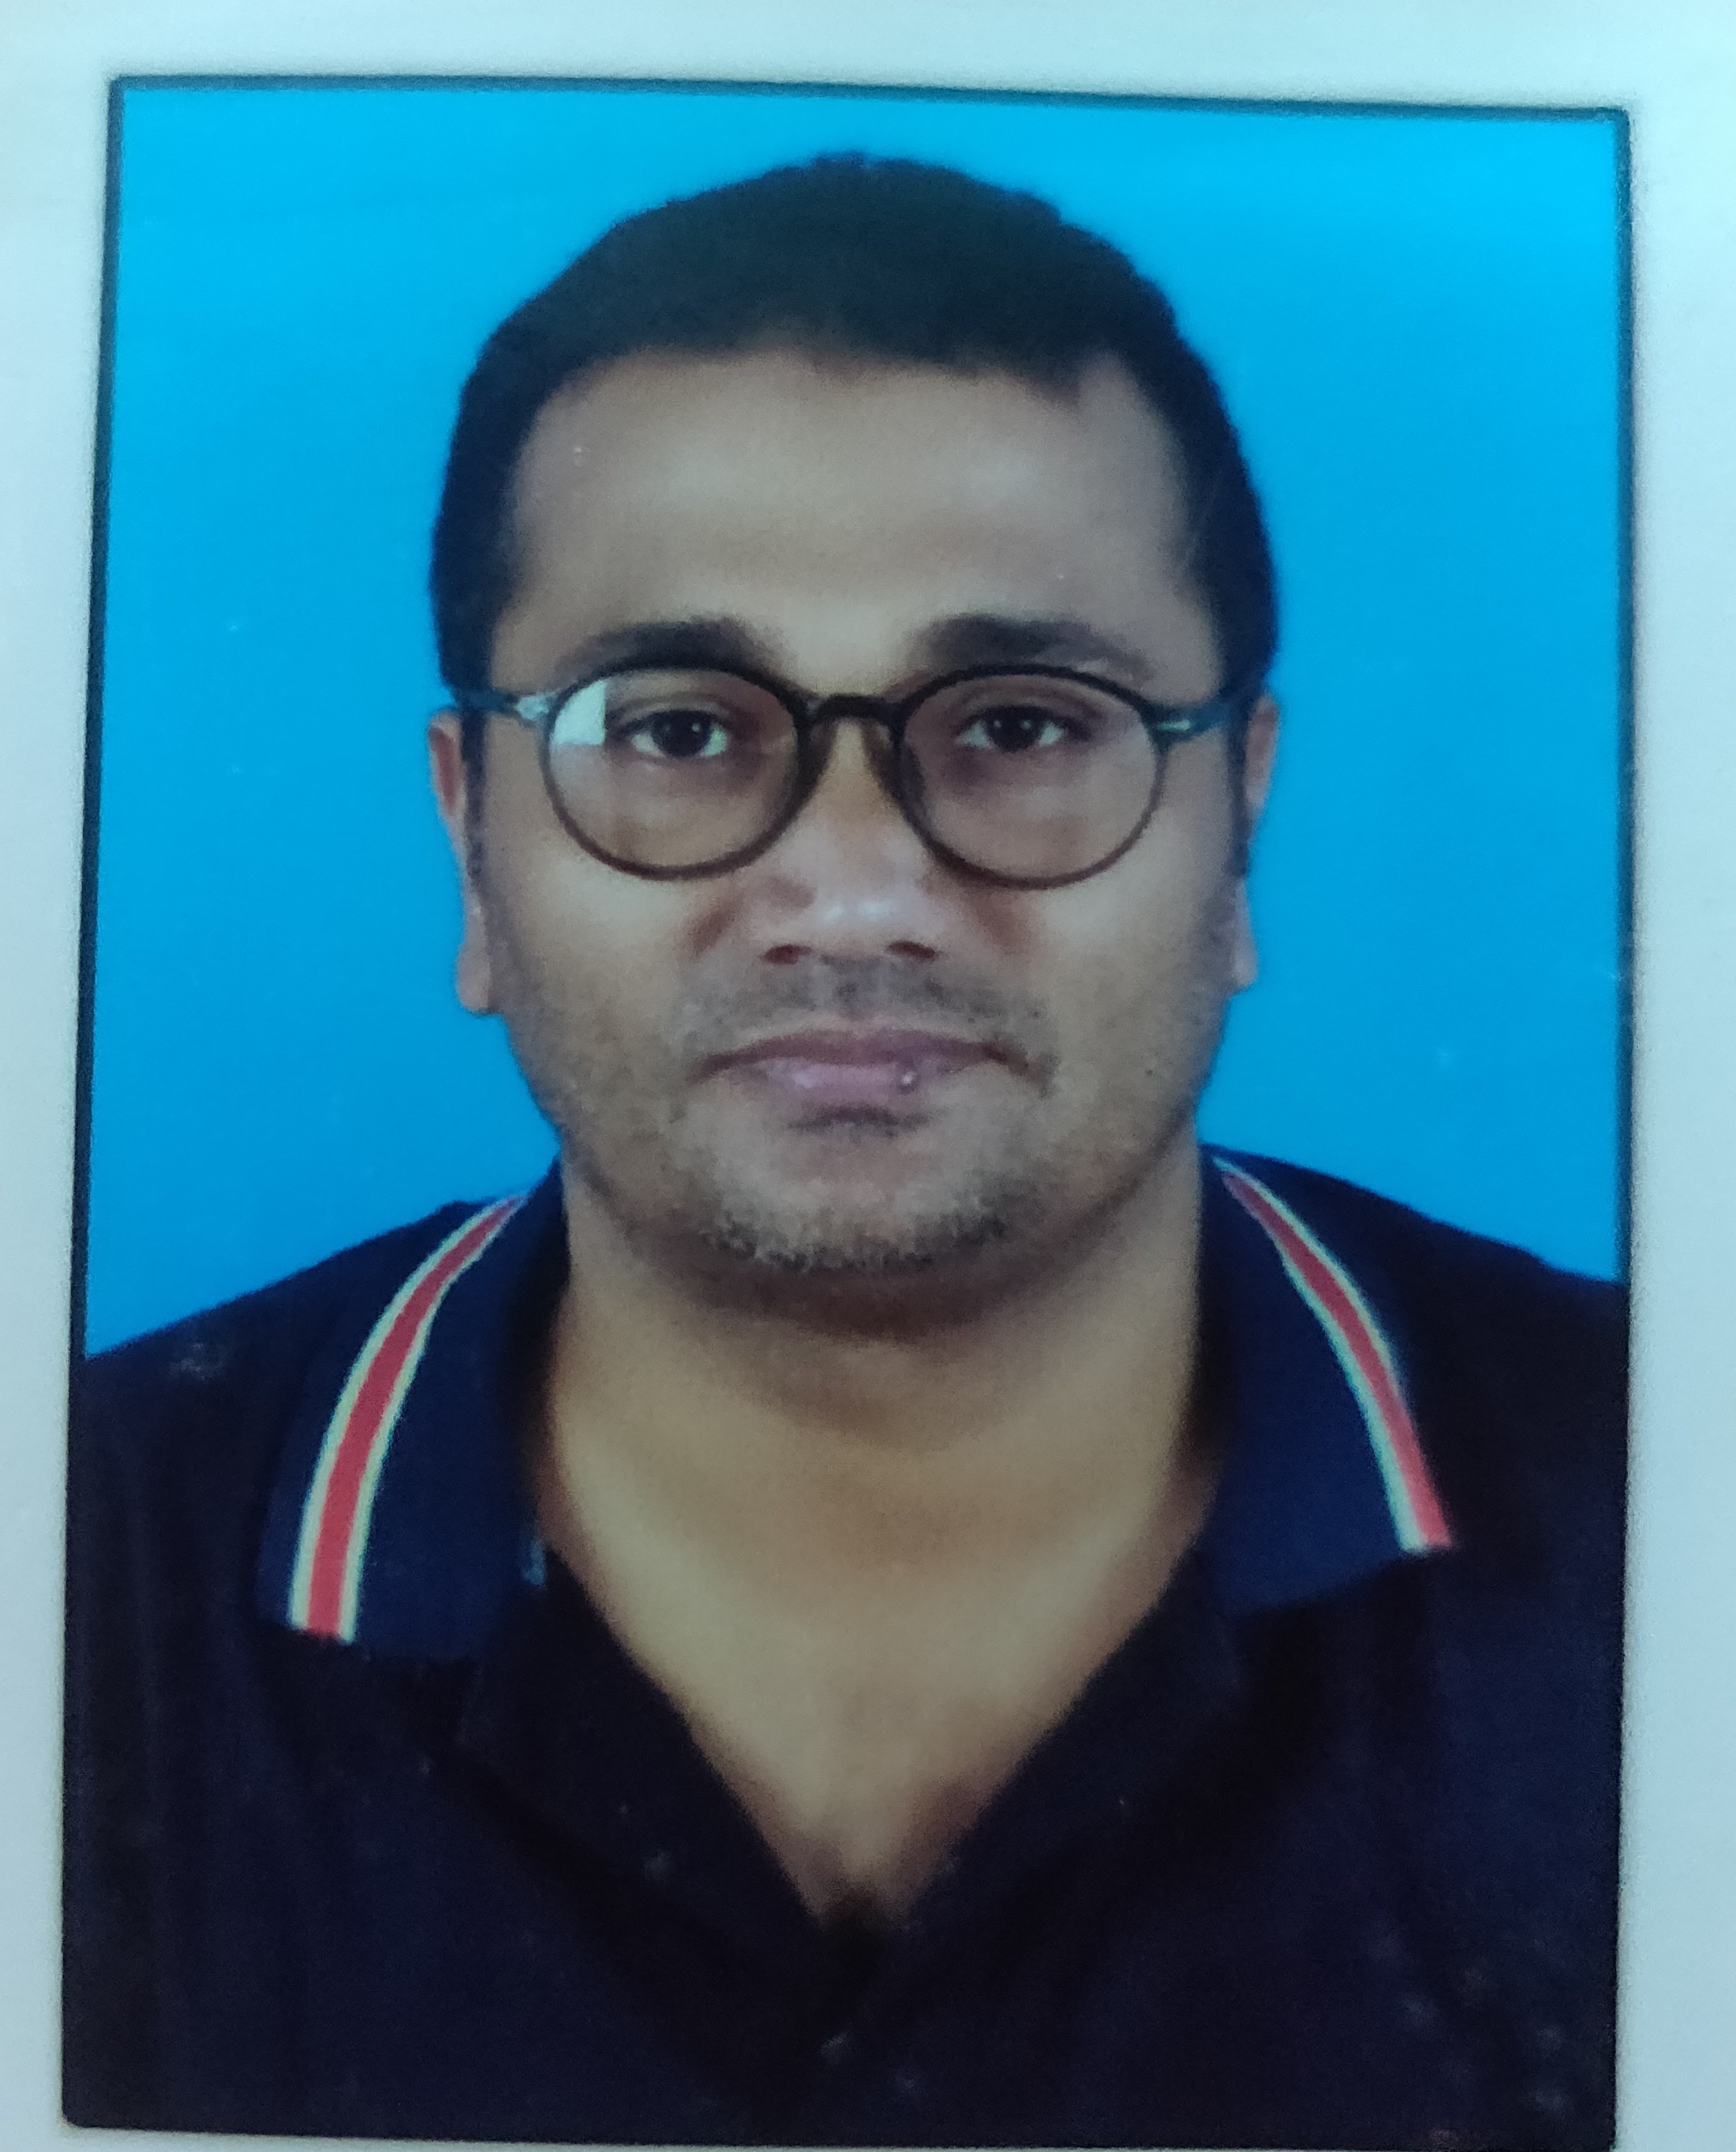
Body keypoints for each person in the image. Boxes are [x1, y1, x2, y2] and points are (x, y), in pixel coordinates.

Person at [64, 155, 1625, 2149]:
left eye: (1023, 722)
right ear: (470, 839)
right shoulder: (77, 1580)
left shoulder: (1668, 1517)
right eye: (678, 729)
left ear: (1239, 819)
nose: (857, 893)